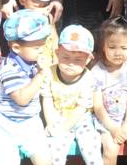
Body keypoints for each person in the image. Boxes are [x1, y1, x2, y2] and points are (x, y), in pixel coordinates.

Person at [0, 9, 52, 165]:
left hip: (32, 123)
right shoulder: (8, 68)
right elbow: (21, 99)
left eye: (43, 45)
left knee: (45, 161)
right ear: (17, 48)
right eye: (37, 47)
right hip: (6, 125)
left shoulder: (33, 63)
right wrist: (40, 75)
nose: (42, 50)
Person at [41, 25, 101, 165]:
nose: (71, 63)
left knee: (91, 146)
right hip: (57, 117)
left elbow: (81, 109)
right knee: (54, 150)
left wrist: (63, 128)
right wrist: (51, 123)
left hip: (82, 120)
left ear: (88, 59)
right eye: (66, 57)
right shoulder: (49, 73)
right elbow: (47, 99)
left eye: (78, 60)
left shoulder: (88, 78)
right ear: (57, 53)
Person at [91, 17, 127, 165]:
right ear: (103, 46)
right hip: (106, 121)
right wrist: (113, 128)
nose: (118, 52)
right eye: (112, 47)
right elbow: (98, 106)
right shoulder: (97, 72)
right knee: (110, 149)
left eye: (124, 48)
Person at [17, 0, 59, 66]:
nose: (43, 10)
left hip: (47, 60)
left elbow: (54, 39)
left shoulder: (48, 17)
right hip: (26, 64)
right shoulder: (19, 20)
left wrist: (55, 59)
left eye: (45, 5)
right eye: (37, 6)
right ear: (22, 1)